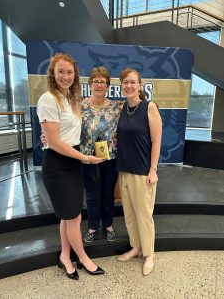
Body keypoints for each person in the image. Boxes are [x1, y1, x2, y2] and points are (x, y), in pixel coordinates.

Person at [37, 53, 105, 280]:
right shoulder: (48, 99)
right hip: (57, 166)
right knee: (74, 218)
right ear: (53, 74)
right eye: (61, 72)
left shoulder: (70, 99)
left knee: (68, 217)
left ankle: (65, 256)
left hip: (73, 162)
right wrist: (85, 158)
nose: (65, 76)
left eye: (69, 72)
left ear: (75, 75)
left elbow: (66, 133)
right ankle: (84, 258)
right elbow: (55, 142)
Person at [116, 68, 162, 276]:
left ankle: (149, 254)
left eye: (133, 82)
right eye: (125, 82)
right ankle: (135, 247)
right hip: (124, 170)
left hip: (143, 172)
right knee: (130, 214)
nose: (129, 85)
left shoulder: (149, 107)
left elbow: (156, 141)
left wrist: (153, 170)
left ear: (140, 85)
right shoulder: (122, 108)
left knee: (144, 215)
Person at [81, 67, 121, 243]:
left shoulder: (115, 107)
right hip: (88, 157)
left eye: (102, 82)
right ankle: (92, 225)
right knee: (91, 193)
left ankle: (108, 225)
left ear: (107, 86)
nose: (99, 85)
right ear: (90, 84)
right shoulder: (80, 106)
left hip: (110, 157)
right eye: (95, 81)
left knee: (107, 193)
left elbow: (123, 131)